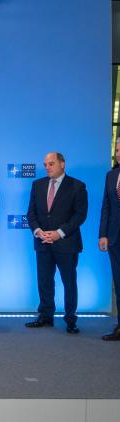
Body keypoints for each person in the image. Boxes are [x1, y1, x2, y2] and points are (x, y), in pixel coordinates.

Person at [26, 152, 87, 334]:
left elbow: (80, 215)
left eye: (51, 164)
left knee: (69, 282)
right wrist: (38, 231)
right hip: (43, 242)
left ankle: (70, 319)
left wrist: (59, 233)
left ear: (62, 164)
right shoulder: (37, 185)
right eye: (45, 164)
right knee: (44, 281)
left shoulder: (77, 186)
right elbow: (31, 213)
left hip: (66, 243)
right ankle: (45, 316)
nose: (47, 167)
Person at [98, 140, 120, 341]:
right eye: (117, 150)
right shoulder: (111, 175)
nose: (119, 153)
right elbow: (106, 206)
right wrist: (103, 234)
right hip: (114, 238)